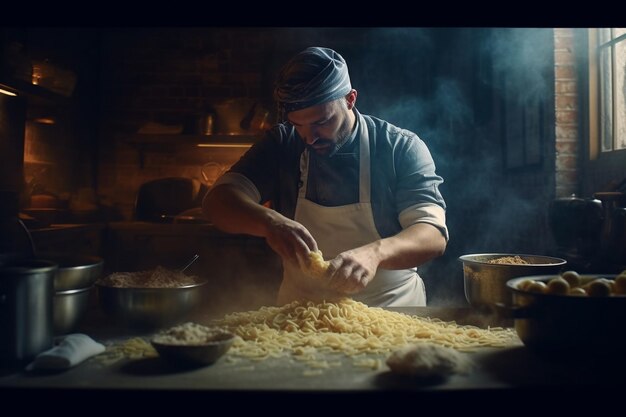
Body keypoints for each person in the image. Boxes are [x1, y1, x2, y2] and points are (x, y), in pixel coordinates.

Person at [203, 46, 448, 307]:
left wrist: (375, 254)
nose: (310, 137)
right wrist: (269, 222)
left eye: (322, 121)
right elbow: (218, 202)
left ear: (350, 99)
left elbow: (432, 234)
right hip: (302, 316)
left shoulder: (399, 147)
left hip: (392, 310)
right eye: (298, 125)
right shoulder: (282, 144)